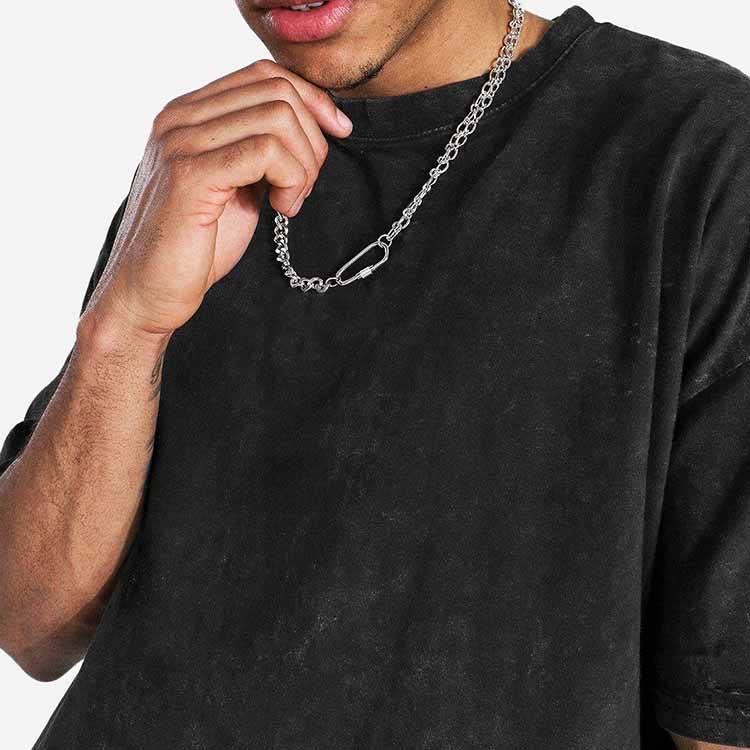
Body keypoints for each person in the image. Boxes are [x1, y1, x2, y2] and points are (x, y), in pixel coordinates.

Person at [1, 0, 749, 747]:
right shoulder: (216, 157)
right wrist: (126, 326)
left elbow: (723, 717)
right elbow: (31, 627)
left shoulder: (695, 151)